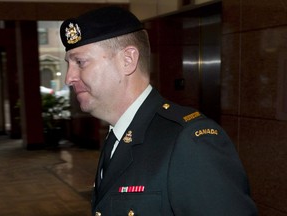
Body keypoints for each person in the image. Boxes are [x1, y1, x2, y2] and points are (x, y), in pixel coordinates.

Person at [60, 6, 258, 216]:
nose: (69, 78)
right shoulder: (118, 135)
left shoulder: (190, 141)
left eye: (80, 62)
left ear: (127, 60)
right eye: (69, 64)